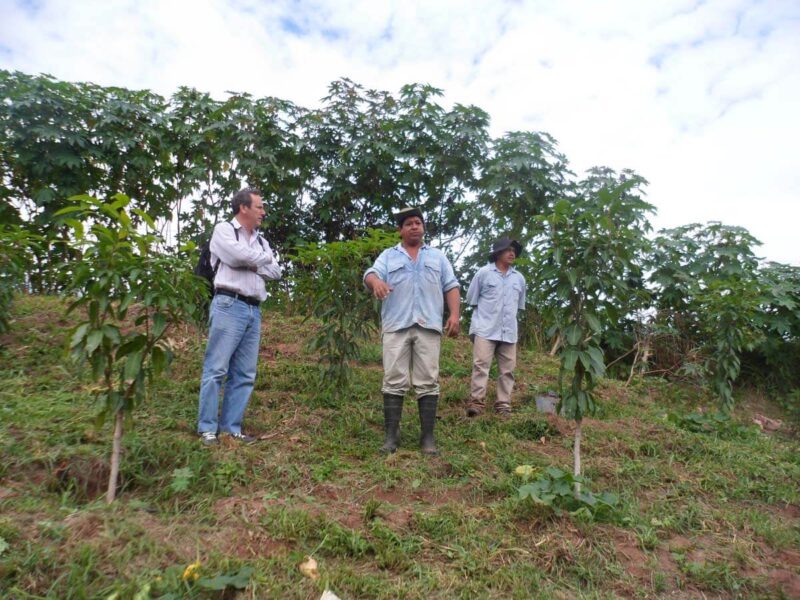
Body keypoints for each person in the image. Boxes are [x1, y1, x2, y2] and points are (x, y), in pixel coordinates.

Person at [364, 207, 460, 455]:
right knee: (394, 380)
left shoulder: (438, 257)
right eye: (409, 224)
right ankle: (391, 437)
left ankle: (427, 438)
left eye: (418, 222)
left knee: (428, 381)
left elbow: (451, 285)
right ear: (401, 230)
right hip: (396, 325)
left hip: (428, 325)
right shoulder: (388, 256)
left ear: (423, 228)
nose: (414, 226)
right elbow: (371, 274)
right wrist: (376, 282)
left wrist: (455, 315)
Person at [197, 187, 282, 446]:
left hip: (253, 310)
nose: (263, 212)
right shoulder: (224, 230)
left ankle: (231, 428)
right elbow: (235, 256)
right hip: (228, 303)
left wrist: (252, 260)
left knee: (245, 373)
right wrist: (260, 262)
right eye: (259, 207)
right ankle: (207, 429)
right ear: (243, 207)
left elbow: (276, 271)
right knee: (216, 368)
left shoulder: (261, 241)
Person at [465, 236, 526, 417]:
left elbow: (519, 305)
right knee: (481, 365)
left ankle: (503, 405)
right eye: (508, 250)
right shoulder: (483, 273)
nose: (512, 253)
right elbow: (471, 299)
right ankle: (476, 403)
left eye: (514, 251)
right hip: (485, 329)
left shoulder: (519, 279)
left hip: (509, 331)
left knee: (508, 370)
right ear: (498, 253)